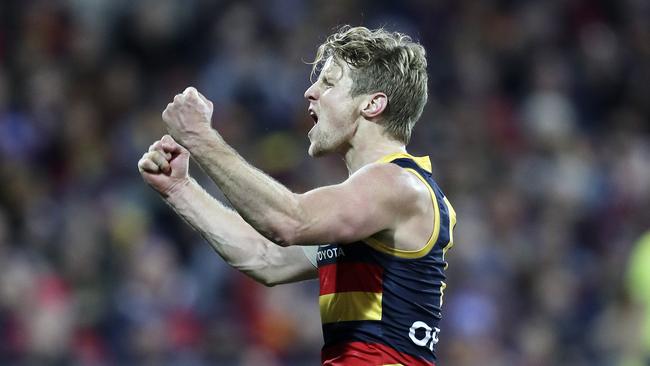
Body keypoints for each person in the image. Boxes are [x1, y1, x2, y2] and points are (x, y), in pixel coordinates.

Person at [138, 26, 456, 366]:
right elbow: (264, 257)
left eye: (330, 83)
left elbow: (289, 221)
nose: (310, 92)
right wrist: (180, 189)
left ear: (373, 104)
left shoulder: (397, 184)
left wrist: (200, 137)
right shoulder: (369, 207)